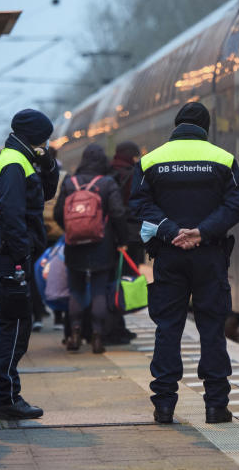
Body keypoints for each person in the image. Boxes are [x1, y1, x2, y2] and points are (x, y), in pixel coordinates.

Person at [130, 101, 239, 425]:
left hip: (169, 256)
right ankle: (216, 406)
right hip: (209, 256)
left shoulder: (152, 160)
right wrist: (202, 232)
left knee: (168, 329)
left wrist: (170, 230)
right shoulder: (223, 159)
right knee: (212, 329)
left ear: (176, 125)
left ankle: (164, 405)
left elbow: (138, 205)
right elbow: (236, 205)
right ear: (205, 128)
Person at [0, 108, 59, 420]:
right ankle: (5, 398)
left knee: (17, 326)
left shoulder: (22, 159)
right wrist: (21, 259)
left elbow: (45, 194)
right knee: (14, 327)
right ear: (34, 137)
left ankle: (8, 395)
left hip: (13, 256)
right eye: (44, 138)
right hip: (11, 258)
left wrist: (48, 165)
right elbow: (12, 215)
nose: (46, 142)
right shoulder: (13, 164)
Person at [53, 144, 128, 353]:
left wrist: (71, 230)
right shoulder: (107, 183)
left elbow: (59, 213)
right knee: (98, 291)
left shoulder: (70, 183)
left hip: (74, 245)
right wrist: (121, 239)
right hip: (101, 246)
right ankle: (97, 336)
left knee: (75, 291)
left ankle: (74, 333)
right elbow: (118, 213)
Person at [107, 140, 143, 345]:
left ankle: (116, 326)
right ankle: (116, 327)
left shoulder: (107, 172)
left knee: (113, 281)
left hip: (109, 236)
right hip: (130, 235)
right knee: (125, 283)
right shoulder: (134, 174)